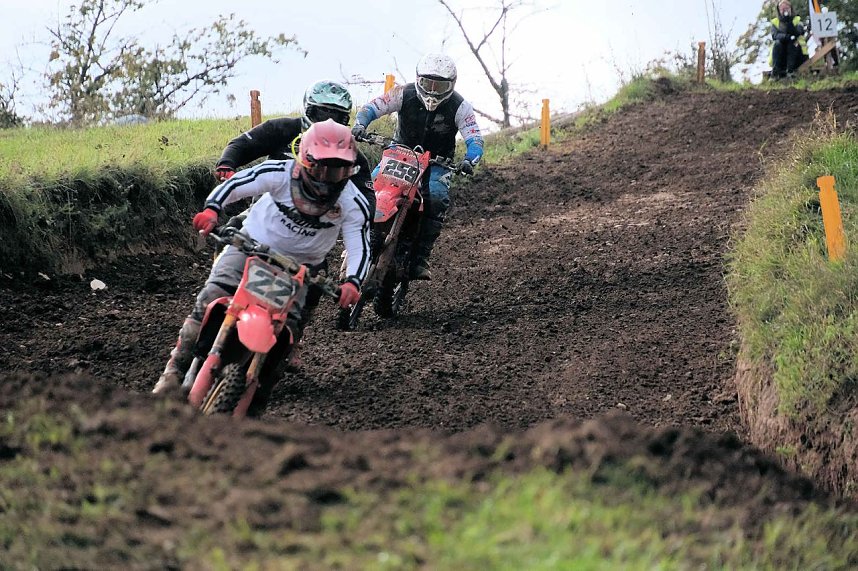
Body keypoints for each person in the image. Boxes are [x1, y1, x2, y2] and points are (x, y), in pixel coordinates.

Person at [153, 119, 370, 414]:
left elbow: (359, 243)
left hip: (300, 271)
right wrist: (212, 209)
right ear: (305, 161)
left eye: (338, 171)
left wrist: (353, 281)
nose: (328, 179)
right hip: (250, 247)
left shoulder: (352, 202)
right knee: (209, 299)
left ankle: (255, 407)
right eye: (321, 169)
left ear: (350, 170)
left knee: (286, 336)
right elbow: (238, 184)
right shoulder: (280, 172)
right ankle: (172, 372)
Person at [351, 53, 484, 280]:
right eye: (427, 83)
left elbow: (475, 138)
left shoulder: (460, 107)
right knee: (370, 186)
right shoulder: (403, 93)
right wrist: (360, 124)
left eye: (439, 86)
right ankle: (355, 233)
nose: (432, 91)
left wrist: (469, 160)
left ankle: (421, 256)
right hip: (399, 153)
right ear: (417, 79)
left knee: (436, 198)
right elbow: (373, 107)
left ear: (451, 85)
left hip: (438, 162)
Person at [215, 80, 375, 209]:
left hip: (318, 219)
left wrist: (363, 219)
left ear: (344, 120)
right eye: (322, 113)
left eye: (335, 117)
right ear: (309, 110)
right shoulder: (283, 128)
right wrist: (226, 164)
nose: (327, 121)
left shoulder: (347, 148)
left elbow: (365, 191)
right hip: (268, 206)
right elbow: (243, 144)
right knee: (237, 227)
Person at [770, 0, 808, 79]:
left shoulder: (797, 21)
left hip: (797, 54)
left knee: (793, 43)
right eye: (782, 9)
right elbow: (775, 35)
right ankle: (775, 72)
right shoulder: (775, 23)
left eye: (787, 8)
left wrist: (789, 21)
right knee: (778, 43)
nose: (785, 11)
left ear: (791, 9)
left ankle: (790, 71)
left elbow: (798, 32)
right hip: (781, 54)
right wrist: (787, 37)